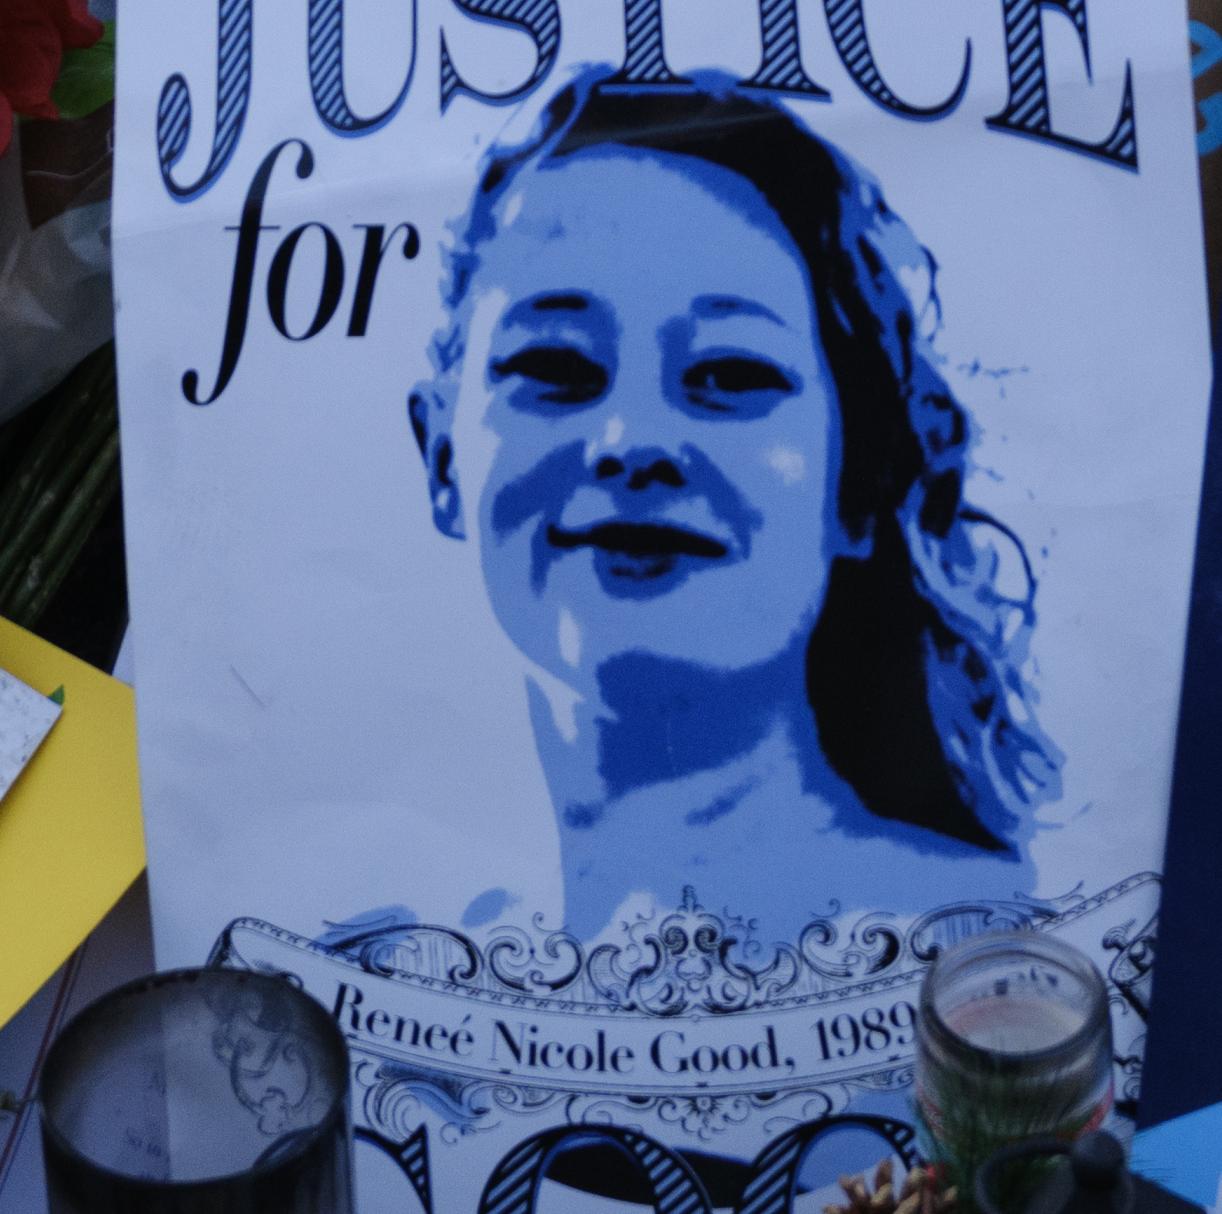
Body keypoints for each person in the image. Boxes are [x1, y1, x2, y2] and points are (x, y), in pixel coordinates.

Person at [406, 72, 1050, 939]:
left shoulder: (1006, 956)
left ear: (860, 484)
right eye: (556, 367)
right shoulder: (388, 971)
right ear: (441, 456)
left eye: (729, 374)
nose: (631, 441)